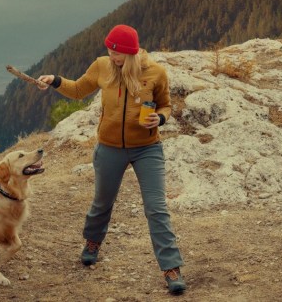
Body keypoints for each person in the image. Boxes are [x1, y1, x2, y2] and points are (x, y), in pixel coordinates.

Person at [37, 24, 186, 295]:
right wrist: (55, 80)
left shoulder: (155, 72)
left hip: (147, 148)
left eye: (115, 53)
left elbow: (165, 103)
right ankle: (92, 242)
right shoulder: (102, 66)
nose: (110, 56)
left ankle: (171, 267)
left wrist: (161, 118)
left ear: (129, 54)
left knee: (156, 208)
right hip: (109, 148)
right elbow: (78, 90)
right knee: (102, 202)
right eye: (109, 50)